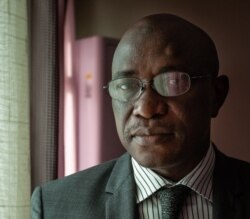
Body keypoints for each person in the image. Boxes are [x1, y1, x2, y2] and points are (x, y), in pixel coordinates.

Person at [31, 13, 250, 219]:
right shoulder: (54, 206)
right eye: (126, 86)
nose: (146, 109)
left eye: (172, 81)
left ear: (216, 95)